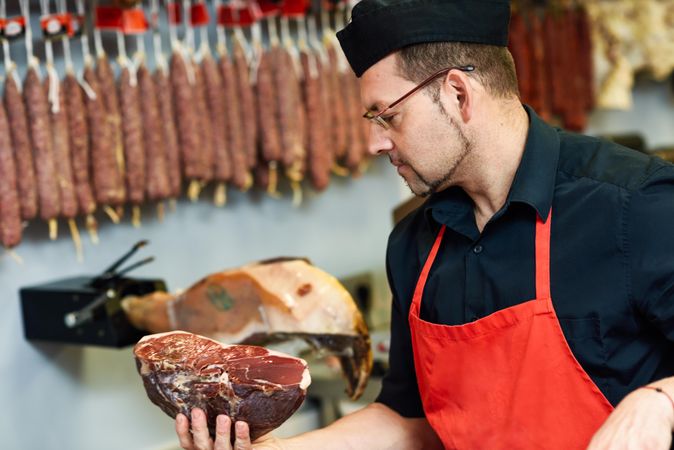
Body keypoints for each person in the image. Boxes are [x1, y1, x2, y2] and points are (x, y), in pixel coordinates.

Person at [175, 0, 674, 448]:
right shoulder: (415, 244)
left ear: (458, 94)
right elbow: (408, 417)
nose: (375, 145)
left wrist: (659, 400)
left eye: (386, 117)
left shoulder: (635, 206)